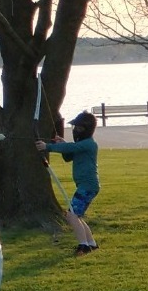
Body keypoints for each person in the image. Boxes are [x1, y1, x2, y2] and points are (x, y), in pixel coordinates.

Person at [36, 110, 100, 257]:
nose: (75, 130)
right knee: (75, 216)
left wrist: (48, 147)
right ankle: (91, 244)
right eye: (75, 127)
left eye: (79, 128)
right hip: (85, 186)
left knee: (71, 216)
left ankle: (83, 246)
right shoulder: (82, 145)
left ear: (87, 129)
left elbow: (72, 148)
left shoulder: (89, 144)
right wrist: (61, 143)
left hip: (88, 187)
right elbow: (68, 155)